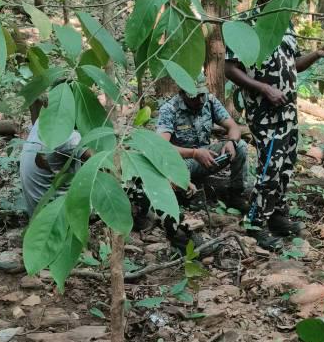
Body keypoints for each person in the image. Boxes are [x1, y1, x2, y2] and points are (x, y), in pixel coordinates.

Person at [224, 0, 324, 250]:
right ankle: (254, 223)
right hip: (264, 112)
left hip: (288, 111)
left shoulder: (285, 23)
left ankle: (277, 216)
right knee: (269, 166)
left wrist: (317, 54)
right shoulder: (245, 24)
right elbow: (230, 69)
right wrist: (264, 88)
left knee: (286, 165)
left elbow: (294, 65)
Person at [19, 98, 198, 252]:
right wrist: (168, 176)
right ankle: (181, 235)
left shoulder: (44, 125)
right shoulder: (68, 137)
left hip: (41, 212)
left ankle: (141, 219)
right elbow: (110, 165)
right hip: (62, 216)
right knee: (132, 185)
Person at [156, 72, 250, 211]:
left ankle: (236, 195)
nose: (200, 100)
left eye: (202, 94)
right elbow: (161, 147)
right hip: (181, 162)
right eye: (194, 96)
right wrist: (194, 153)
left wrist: (232, 142)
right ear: (182, 93)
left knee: (240, 146)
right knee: (174, 173)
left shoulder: (210, 101)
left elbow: (233, 127)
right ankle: (187, 197)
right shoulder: (169, 109)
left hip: (208, 157)